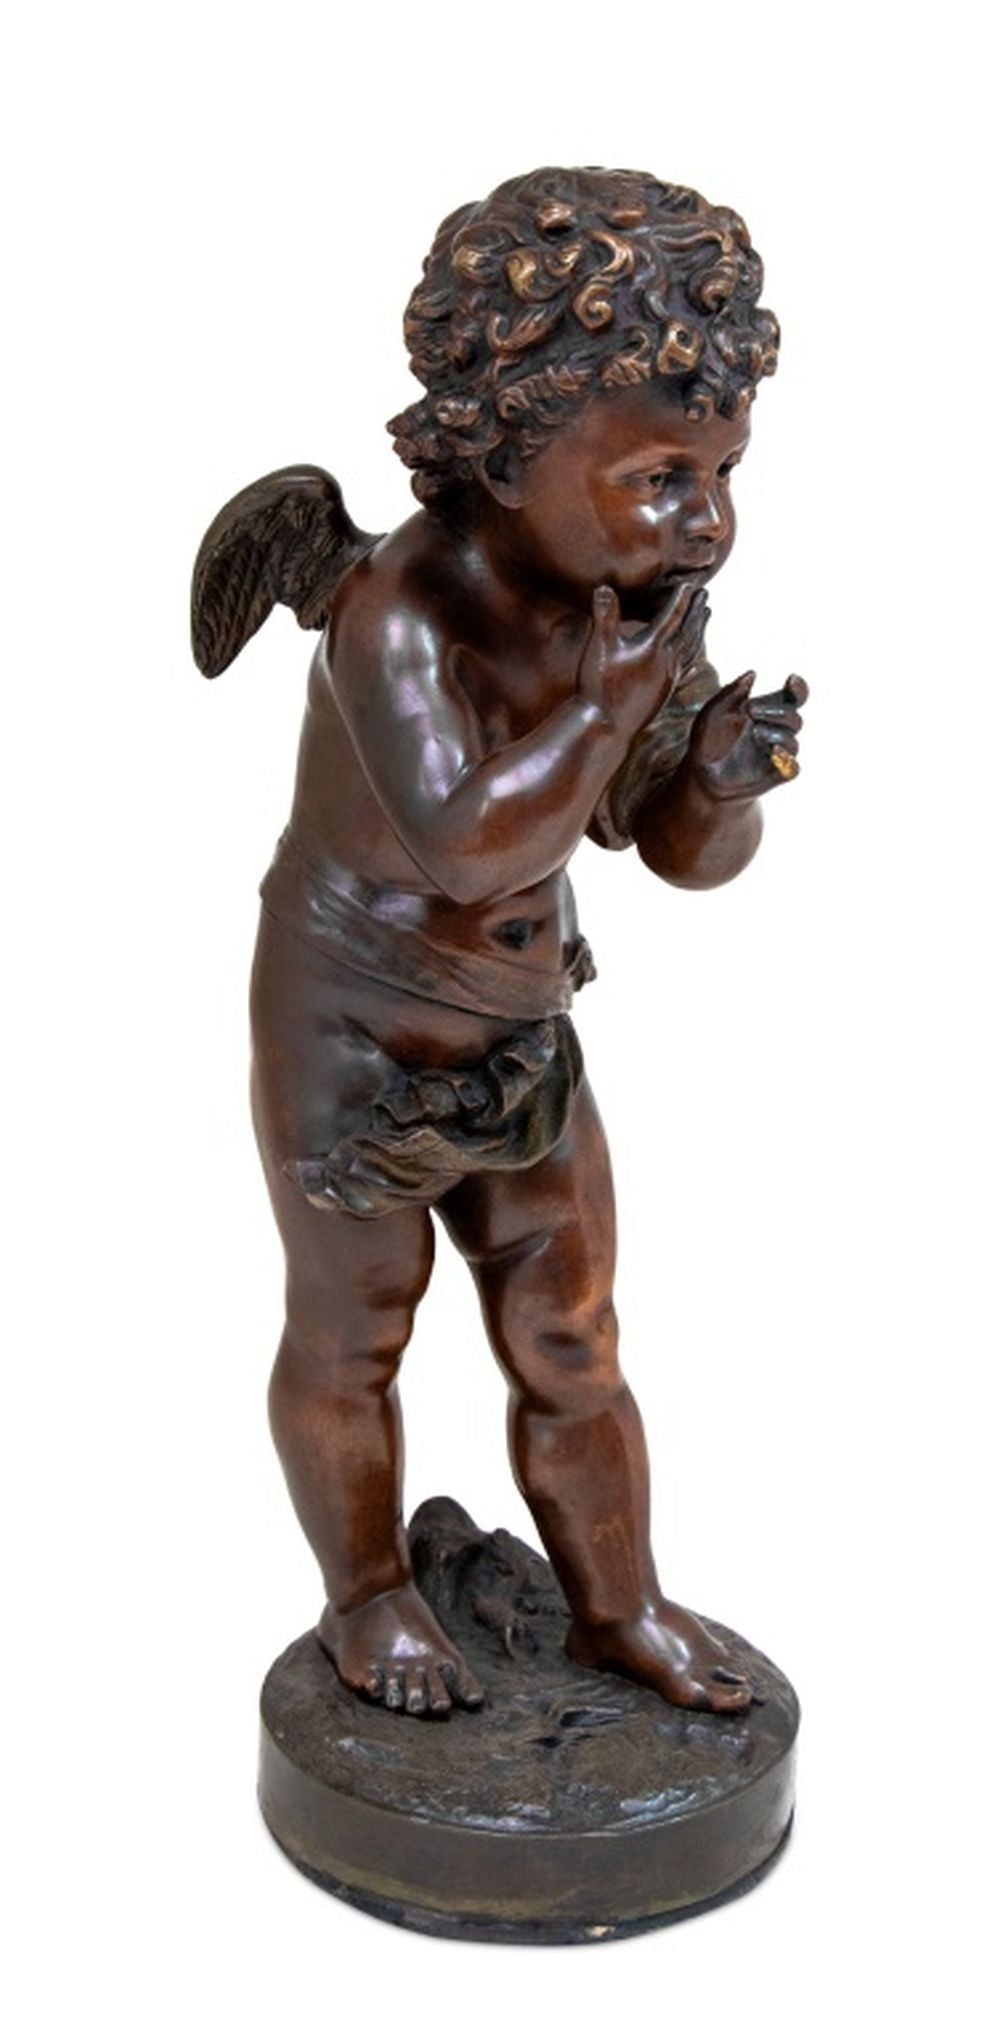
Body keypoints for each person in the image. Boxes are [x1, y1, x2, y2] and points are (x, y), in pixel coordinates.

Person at [193, 166, 806, 1719]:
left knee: (571, 1330)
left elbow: (670, 849)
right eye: (662, 474)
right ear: (514, 446)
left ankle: (619, 1604)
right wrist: (607, 712)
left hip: (521, 1027)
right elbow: (471, 844)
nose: (708, 520)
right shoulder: (399, 610)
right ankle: (367, 1593)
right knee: (355, 1326)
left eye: (722, 470)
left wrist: (715, 782)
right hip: (353, 1028)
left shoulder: (633, 597)